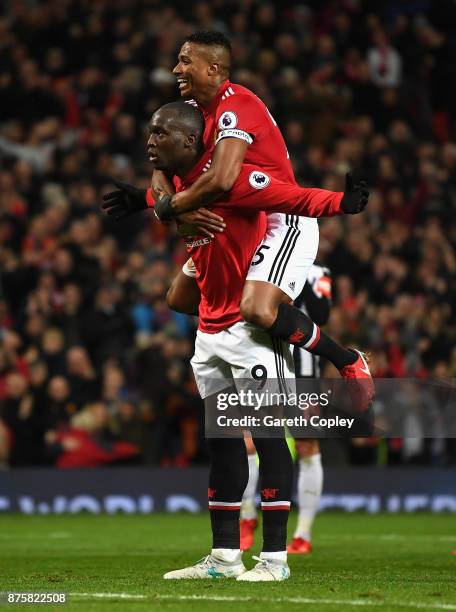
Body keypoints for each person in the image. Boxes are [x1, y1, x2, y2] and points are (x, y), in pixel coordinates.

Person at [102, 101, 371, 582]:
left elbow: (292, 197)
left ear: (188, 142)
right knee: (223, 443)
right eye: (149, 132)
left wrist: (342, 204)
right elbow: (163, 197)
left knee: (270, 440)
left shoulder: (232, 181)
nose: (150, 141)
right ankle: (224, 556)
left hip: (249, 337)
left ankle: (275, 560)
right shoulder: (178, 186)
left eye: (160, 134)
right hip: (209, 333)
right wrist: (145, 202)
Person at [104, 30, 374, 412]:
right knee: (179, 299)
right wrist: (152, 198)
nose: (175, 68)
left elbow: (223, 179)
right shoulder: (196, 112)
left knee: (257, 311)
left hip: (279, 217)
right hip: (233, 218)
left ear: (213, 68)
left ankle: (345, 360)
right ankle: (254, 332)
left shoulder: (236, 107)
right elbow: (163, 164)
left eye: (185, 61)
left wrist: (169, 208)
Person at [240, 265, 331, 554]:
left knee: (306, 446)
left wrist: (296, 272)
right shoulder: (257, 262)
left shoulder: (319, 274)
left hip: (303, 373)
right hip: (262, 363)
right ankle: (247, 517)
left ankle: (303, 533)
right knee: (249, 441)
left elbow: (322, 315)